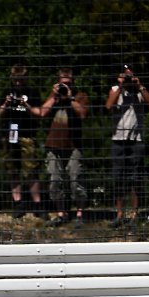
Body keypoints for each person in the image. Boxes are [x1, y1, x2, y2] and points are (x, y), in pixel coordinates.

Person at [39, 68, 89, 227]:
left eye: (68, 83)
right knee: (54, 180)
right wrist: (55, 96)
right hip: (53, 144)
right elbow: (42, 112)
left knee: (76, 180)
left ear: (73, 83)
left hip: (73, 145)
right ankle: (61, 213)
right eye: (62, 83)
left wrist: (69, 98)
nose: (65, 86)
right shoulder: (54, 97)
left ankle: (80, 213)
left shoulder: (80, 96)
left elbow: (82, 114)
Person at [105, 64, 149, 226]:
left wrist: (139, 85)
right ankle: (119, 214)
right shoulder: (115, 90)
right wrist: (120, 86)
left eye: (129, 76)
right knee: (118, 178)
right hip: (118, 140)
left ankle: (134, 214)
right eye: (124, 75)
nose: (127, 79)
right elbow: (108, 106)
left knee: (135, 179)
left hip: (136, 141)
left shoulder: (139, 92)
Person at [0, 65, 43, 217]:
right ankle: (18, 202)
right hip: (9, 135)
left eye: (21, 79)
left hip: (27, 135)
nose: (18, 82)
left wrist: (26, 105)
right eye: (15, 79)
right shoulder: (6, 92)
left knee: (31, 169)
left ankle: (37, 204)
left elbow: (39, 113)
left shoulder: (32, 92)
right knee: (12, 169)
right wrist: (6, 104)